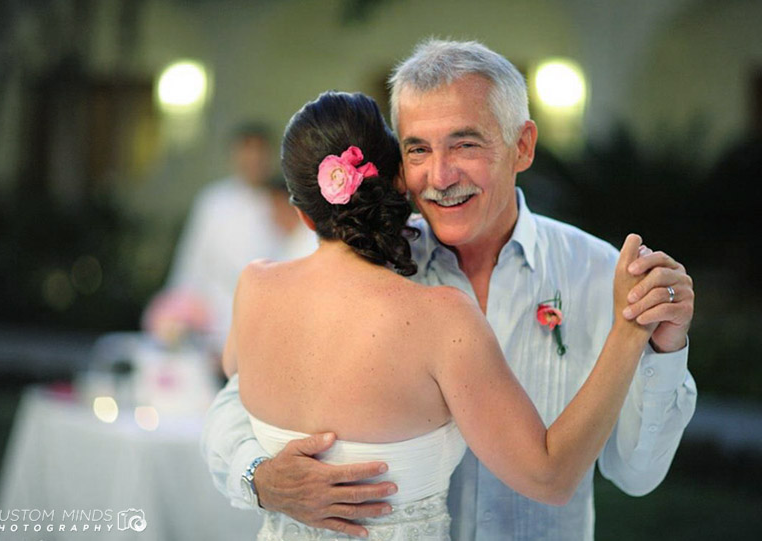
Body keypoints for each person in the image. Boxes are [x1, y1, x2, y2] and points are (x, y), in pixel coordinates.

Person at [202, 40, 696, 540]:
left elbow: (636, 475)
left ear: (522, 146)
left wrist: (661, 345)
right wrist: (259, 476)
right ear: (397, 166)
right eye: (418, 148)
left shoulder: (598, 273)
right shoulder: (367, 262)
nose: (440, 176)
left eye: (465, 144)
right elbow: (234, 401)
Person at [143, 124, 316, 348]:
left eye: (259, 153)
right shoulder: (215, 202)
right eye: (247, 152)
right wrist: (179, 310)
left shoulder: (283, 202)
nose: (253, 160)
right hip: (213, 318)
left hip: (263, 319)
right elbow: (192, 259)